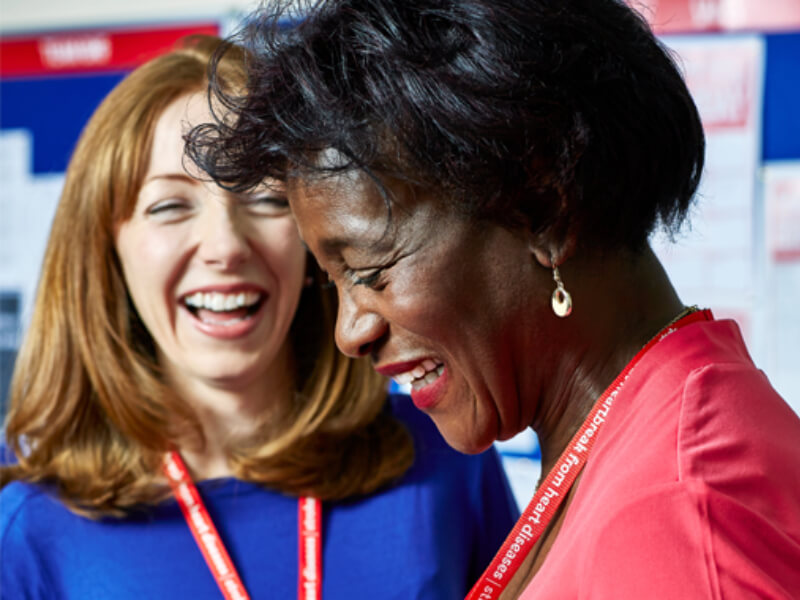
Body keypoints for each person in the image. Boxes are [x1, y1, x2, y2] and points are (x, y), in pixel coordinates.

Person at [188, 2, 800, 598]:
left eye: (371, 269)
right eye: (331, 278)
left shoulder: (674, 510)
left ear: (544, 213)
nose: (350, 332)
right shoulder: (655, 435)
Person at [0, 35, 519, 600]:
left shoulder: (445, 460)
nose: (225, 245)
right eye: (170, 205)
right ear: (105, 251)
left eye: (267, 198)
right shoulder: (27, 523)